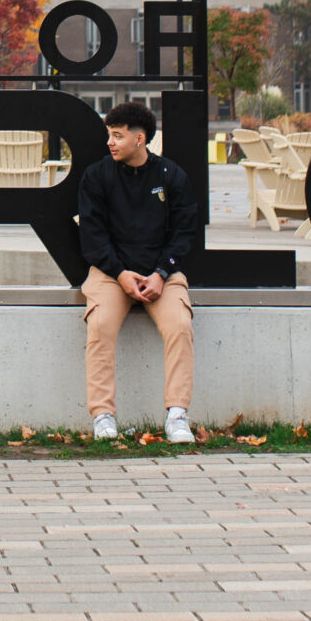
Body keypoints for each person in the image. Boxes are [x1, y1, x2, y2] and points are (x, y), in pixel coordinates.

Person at [77, 101, 198, 444]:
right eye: (109, 135)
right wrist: (120, 274)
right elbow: (92, 235)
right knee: (99, 325)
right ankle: (103, 417)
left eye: (117, 136)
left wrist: (161, 273)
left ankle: (177, 416)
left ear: (140, 139)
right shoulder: (97, 176)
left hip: (162, 274)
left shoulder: (170, 176)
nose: (110, 143)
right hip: (111, 272)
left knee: (180, 325)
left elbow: (184, 233)